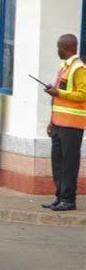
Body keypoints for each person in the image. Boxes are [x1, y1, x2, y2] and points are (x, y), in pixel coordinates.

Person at [42, 34, 86, 211]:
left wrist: (58, 93)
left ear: (66, 47)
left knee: (69, 163)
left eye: (58, 47)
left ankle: (69, 199)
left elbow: (83, 94)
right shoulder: (64, 67)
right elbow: (58, 97)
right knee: (57, 161)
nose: (57, 50)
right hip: (59, 123)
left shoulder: (78, 68)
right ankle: (60, 196)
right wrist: (52, 121)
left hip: (72, 125)